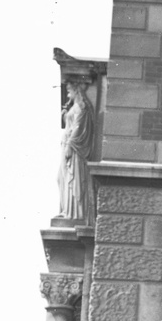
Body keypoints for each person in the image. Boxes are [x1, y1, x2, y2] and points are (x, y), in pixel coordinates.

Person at [57, 79, 94, 221]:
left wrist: (69, 146)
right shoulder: (76, 107)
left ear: (77, 90)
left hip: (73, 150)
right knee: (60, 179)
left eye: (69, 91)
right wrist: (66, 115)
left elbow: (78, 128)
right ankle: (67, 210)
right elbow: (72, 123)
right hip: (68, 147)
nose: (68, 95)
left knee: (70, 179)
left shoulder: (80, 106)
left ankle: (74, 213)